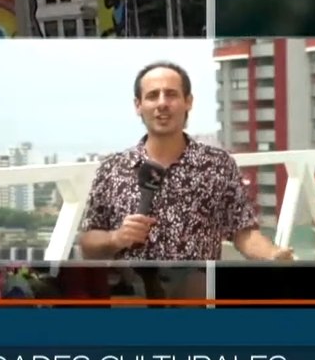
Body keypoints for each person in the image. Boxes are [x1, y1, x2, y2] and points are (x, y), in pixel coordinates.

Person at [78, 62, 293, 262]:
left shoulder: (218, 165)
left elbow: (243, 232)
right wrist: (116, 238)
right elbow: (88, 242)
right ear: (138, 105)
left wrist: (273, 255)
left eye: (171, 94)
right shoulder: (113, 168)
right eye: (153, 96)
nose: (162, 103)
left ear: (188, 101)